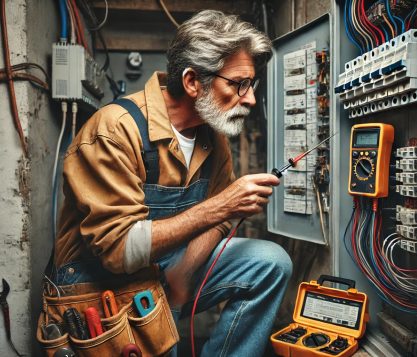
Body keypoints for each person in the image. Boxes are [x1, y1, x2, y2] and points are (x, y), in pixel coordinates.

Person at [53, 9, 292, 357]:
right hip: (102, 283)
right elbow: (119, 251)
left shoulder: (212, 137)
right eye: (239, 84)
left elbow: (220, 219)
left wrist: (185, 270)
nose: (251, 99)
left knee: (270, 263)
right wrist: (221, 204)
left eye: (251, 85)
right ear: (194, 81)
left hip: (166, 269)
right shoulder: (115, 130)